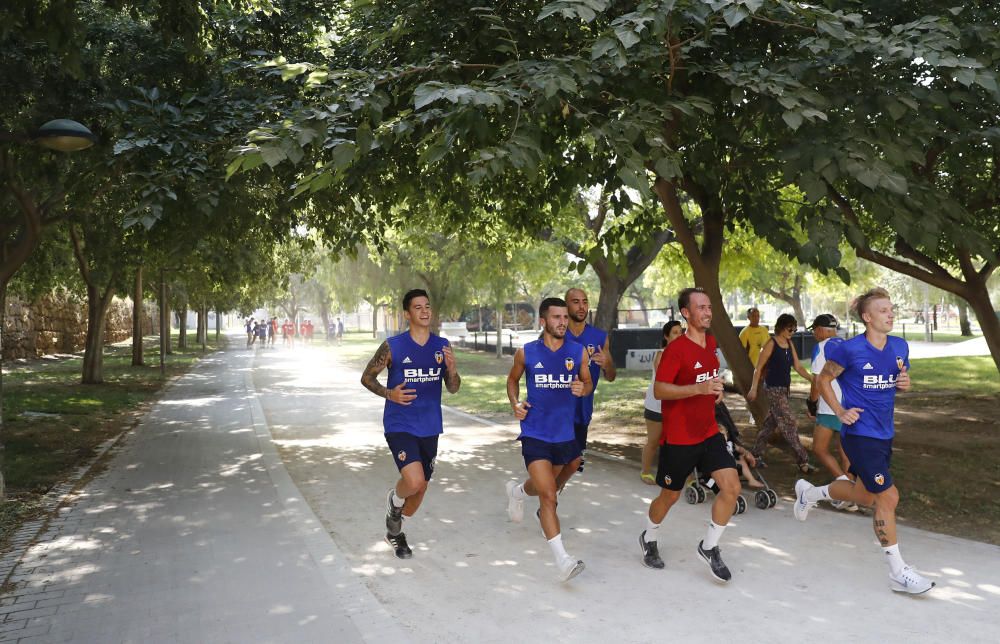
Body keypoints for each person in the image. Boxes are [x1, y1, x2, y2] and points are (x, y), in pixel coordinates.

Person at [794, 288, 934, 594]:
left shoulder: (899, 347)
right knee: (888, 497)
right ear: (867, 317)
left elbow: (898, 381)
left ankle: (810, 494)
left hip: (884, 434)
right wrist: (840, 410)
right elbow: (823, 380)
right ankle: (898, 572)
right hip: (859, 435)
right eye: (883, 310)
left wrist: (904, 384)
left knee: (867, 496)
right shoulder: (850, 350)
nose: (890, 314)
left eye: (891, 309)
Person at [639, 287, 742, 583]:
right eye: (701, 307)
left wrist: (715, 389)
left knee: (731, 487)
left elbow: (706, 378)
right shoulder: (675, 350)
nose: (708, 312)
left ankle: (709, 547)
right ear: (686, 313)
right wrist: (698, 389)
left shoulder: (710, 343)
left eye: (709, 307)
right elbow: (660, 390)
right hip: (679, 438)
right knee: (669, 497)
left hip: (708, 431)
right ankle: (649, 536)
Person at [360, 289, 461, 559]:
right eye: (418, 307)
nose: (425, 311)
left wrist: (452, 369)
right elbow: (367, 378)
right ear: (407, 314)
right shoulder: (393, 346)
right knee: (413, 480)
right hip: (400, 424)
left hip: (430, 426)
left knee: (416, 498)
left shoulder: (442, 346)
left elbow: (453, 388)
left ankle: (395, 526)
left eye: (427, 306)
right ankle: (394, 503)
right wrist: (389, 393)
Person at [504, 297, 593, 581]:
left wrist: (582, 387)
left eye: (565, 318)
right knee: (549, 496)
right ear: (543, 321)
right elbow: (512, 381)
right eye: (556, 318)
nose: (563, 322)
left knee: (555, 480)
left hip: (564, 433)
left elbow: (587, 382)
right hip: (535, 432)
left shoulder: (578, 352)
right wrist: (515, 403)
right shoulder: (526, 353)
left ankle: (517, 492)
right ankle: (563, 560)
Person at [554, 288, 616, 490]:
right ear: (566, 305)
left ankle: (548, 493)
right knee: (557, 463)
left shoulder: (599, 337)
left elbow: (611, 376)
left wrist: (607, 364)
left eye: (585, 302)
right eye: (576, 302)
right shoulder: (556, 334)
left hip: (583, 411)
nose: (581, 306)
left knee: (572, 465)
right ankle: (549, 502)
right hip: (558, 411)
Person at [746, 313, 816, 473]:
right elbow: (759, 368)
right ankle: (803, 461)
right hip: (772, 389)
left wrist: (813, 379)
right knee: (789, 421)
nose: (792, 331)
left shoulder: (790, 344)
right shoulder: (771, 343)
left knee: (769, 425)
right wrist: (753, 388)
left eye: (794, 328)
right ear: (782, 327)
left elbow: (798, 367)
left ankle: (754, 456)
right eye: (790, 328)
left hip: (785, 389)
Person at [806, 314, 853, 487]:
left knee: (819, 448)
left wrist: (811, 403)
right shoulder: (848, 345)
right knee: (846, 453)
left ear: (819, 330)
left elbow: (817, 381)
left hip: (831, 407)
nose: (814, 334)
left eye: (814, 331)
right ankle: (851, 495)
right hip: (852, 405)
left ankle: (844, 486)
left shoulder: (821, 347)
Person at [641, 321, 683, 484]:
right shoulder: (661, 354)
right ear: (666, 336)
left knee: (679, 443)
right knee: (654, 441)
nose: (679, 335)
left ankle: (682, 475)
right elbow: (666, 380)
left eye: (681, 332)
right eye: (675, 332)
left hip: (677, 406)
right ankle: (645, 472)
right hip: (656, 406)